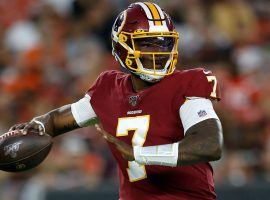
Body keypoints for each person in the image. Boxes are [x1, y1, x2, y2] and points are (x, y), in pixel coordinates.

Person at [10, 2, 223, 200]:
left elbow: (209, 144)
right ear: (121, 46)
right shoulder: (108, 89)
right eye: (146, 44)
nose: (158, 52)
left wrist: (139, 154)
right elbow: (57, 120)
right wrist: (36, 126)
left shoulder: (187, 84)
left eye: (164, 43)